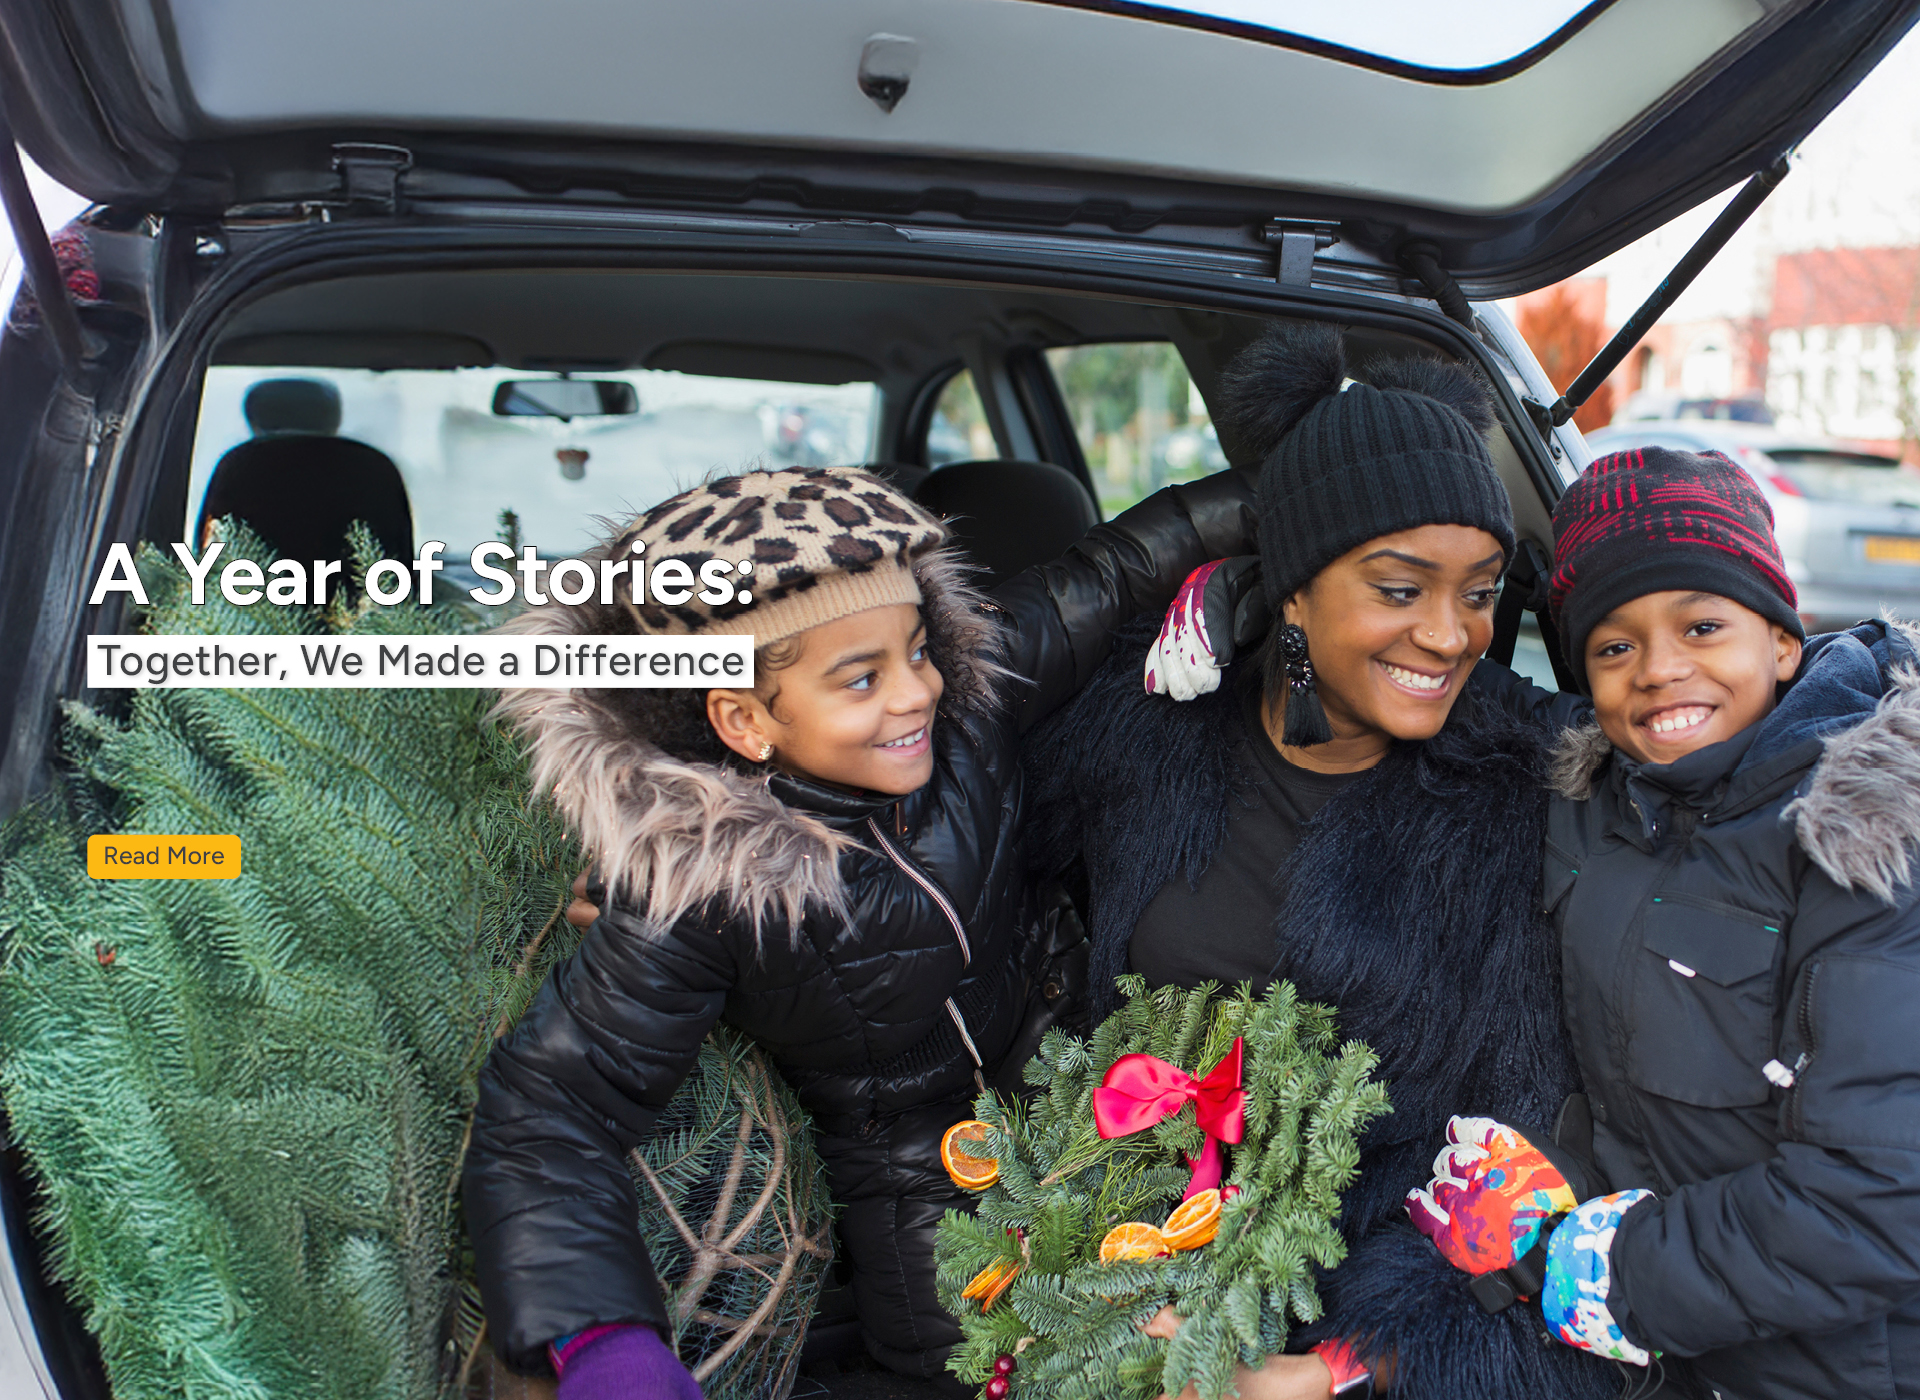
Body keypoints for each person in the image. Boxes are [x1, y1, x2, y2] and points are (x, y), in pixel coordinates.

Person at [461, 464, 1254, 1396]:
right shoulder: (705, 883)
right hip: (921, 1191)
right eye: (859, 679)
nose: (916, 693)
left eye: (917, 650)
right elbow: (551, 1111)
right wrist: (601, 1340)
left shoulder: (970, 697)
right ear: (747, 721)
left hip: (1092, 1075)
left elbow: (1114, 570)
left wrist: (1284, 486)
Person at [1021, 323, 1619, 1400]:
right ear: (1291, 588)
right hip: (1103, 1263)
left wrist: (1336, 1366)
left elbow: (1530, 1164)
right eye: (1400, 588)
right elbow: (931, 752)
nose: (1451, 635)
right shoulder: (1137, 731)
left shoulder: (1520, 796)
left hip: (1365, 1325)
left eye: (1481, 590)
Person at [1410, 446, 1920, 1399]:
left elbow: (1882, 1200)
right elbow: (1431, 669)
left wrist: (1604, 1269)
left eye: (1703, 625)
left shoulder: (1869, 837)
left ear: (1780, 639)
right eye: (1614, 645)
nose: (1659, 670)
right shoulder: (1598, 794)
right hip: (1658, 1362)